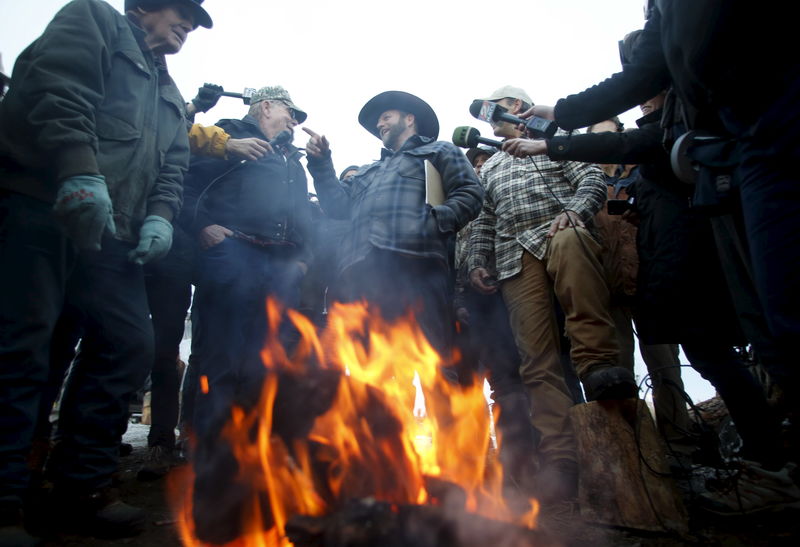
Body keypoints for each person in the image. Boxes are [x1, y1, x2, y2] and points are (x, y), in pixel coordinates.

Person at [523, 1, 800, 424]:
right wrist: (563, 114)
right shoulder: (670, 85)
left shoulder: (679, 118)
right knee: (768, 327)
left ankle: (765, 452)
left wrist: (555, 140)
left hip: (774, 129)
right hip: (729, 173)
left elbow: (627, 143)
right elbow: (641, 74)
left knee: (767, 322)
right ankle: (770, 455)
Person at [0, 0, 212, 543]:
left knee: (127, 344)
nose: (189, 25)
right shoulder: (92, 21)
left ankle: (79, 488)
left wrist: (160, 219)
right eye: (180, 12)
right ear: (142, 6)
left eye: (195, 20)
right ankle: (4, 498)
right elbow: (58, 90)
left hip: (114, 235)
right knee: (22, 348)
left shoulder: (168, 94)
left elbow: (173, 168)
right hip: (41, 208)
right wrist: (77, 170)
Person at [466, 85, 621, 506]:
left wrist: (576, 212)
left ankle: (599, 366)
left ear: (516, 105)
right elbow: (483, 219)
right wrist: (477, 260)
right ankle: (561, 458)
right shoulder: (492, 165)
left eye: (495, 106)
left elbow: (590, 178)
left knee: (572, 243)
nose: (488, 115)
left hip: (560, 233)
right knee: (535, 358)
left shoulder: (553, 144)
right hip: (514, 255)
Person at [181, 85, 311, 543]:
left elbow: (304, 217)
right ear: (266, 107)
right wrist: (202, 227)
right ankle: (212, 492)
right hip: (231, 254)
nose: (294, 123)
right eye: (289, 113)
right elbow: (183, 181)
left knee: (265, 374)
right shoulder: (228, 136)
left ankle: (253, 482)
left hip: (278, 270)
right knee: (220, 370)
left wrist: (302, 258)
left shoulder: (293, 162)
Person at [304, 90, 483, 363]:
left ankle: (439, 406)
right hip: (363, 272)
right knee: (372, 368)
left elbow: (470, 193)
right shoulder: (367, 171)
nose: (379, 124)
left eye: (386, 116)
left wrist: (433, 222)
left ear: (409, 119)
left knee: (431, 361)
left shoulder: (439, 150)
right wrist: (321, 163)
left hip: (418, 267)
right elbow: (336, 207)